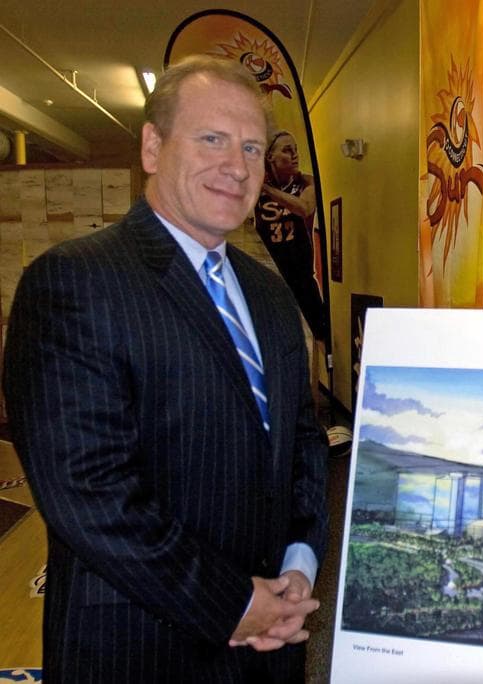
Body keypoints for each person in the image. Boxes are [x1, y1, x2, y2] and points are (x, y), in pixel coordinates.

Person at [2, 55, 328, 682]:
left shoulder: (270, 295)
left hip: (272, 643)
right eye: (212, 139)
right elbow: (88, 491)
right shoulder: (74, 281)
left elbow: (304, 446)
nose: (238, 167)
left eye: (254, 148)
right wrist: (233, 604)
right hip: (140, 646)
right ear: (153, 146)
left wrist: (298, 570)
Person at [254, 130, 330, 342]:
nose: (295, 155)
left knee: (319, 333)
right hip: (270, 276)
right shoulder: (255, 190)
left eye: (296, 150)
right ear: (271, 157)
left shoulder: (307, 183)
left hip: (302, 276)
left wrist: (267, 190)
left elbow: (304, 208)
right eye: (288, 150)